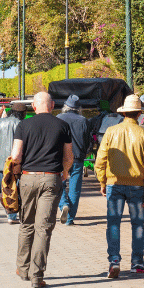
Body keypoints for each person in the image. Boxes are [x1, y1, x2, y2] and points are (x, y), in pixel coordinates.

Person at [9, 92, 73, 288]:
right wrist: (63, 173)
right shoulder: (62, 125)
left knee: (26, 224)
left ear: (34, 107)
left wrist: (17, 170)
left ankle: (22, 267)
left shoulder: (24, 125)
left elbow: (16, 155)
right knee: (43, 228)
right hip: (51, 179)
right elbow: (69, 157)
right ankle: (37, 275)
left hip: (28, 178)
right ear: (52, 105)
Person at [94, 94, 144, 278]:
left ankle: (114, 260)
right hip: (137, 186)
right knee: (138, 225)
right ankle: (137, 262)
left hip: (114, 184)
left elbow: (100, 160)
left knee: (113, 224)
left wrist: (102, 181)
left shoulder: (111, 132)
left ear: (124, 113)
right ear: (138, 114)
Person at [56, 95, 91, 226]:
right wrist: (84, 152)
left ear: (65, 106)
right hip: (77, 157)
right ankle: (69, 219)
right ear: (78, 108)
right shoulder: (84, 121)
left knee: (60, 184)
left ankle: (64, 204)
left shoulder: (59, 118)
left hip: (61, 157)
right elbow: (88, 141)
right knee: (75, 188)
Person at [0, 102, 24, 223]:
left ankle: (10, 215)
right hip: (16, 163)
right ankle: (17, 215)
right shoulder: (21, 124)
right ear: (21, 113)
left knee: (6, 189)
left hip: (2, 163)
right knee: (18, 189)